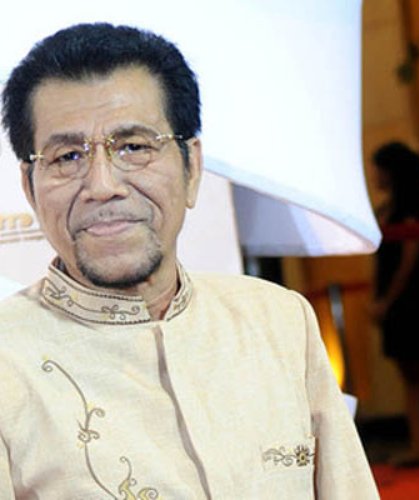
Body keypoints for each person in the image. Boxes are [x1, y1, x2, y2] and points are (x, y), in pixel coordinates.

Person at [0, 23, 379, 498]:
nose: (102, 186)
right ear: (30, 187)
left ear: (192, 167)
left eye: (133, 147)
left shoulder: (279, 322)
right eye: (68, 156)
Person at [371, 142, 419, 466]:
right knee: (407, 372)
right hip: (393, 298)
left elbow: (410, 259)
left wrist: (388, 298)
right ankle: (417, 444)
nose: (374, 175)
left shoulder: (412, 207)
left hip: (415, 296)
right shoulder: (385, 209)